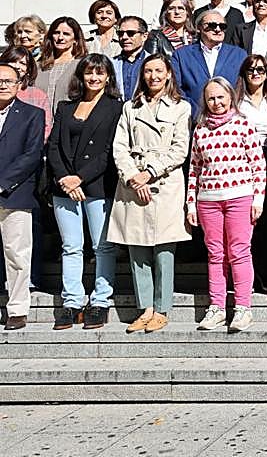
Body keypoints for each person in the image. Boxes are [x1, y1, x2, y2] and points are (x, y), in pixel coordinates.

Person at [108, 53, 191, 334]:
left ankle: (162, 308)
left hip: (164, 184)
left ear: (168, 74)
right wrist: (133, 176)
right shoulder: (131, 108)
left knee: (164, 249)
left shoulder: (181, 107)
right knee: (137, 248)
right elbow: (119, 146)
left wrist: (150, 172)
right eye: (148, 71)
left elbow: (180, 149)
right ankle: (145, 308)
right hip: (133, 183)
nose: (153, 76)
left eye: (159, 70)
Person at [46, 55, 123, 330]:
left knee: (102, 247)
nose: (94, 78)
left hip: (98, 185)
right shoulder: (66, 108)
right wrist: (65, 179)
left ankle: (101, 301)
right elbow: (53, 146)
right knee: (71, 247)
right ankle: (73, 301)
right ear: (81, 75)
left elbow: (109, 151)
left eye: (99, 73)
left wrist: (80, 178)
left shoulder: (116, 108)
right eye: (89, 73)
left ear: (108, 77)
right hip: (64, 187)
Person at [188, 77, 266, 334]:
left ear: (230, 96)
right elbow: (194, 169)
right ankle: (217, 307)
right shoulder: (200, 129)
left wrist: (258, 198)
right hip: (208, 200)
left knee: (239, 251)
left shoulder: (243, 124)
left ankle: (243, 307)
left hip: (240, 196)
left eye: (221, 97)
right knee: (215, 254)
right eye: (211, 98)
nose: (216, 102)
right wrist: (190, 204)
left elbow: (258, 165)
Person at [0, 62, 49, 331]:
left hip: (15, 193)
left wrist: (2, 184)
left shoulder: (32, 114)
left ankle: (17, 309)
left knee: (17, 254)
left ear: (19, 84)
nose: (3, 84)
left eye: (8, 80)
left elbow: (31, 156)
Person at [235, 54, 267, 292]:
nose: (256, 74)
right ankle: (244, 275)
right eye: (251, 70)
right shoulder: (236, 102)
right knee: (244, 220)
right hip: (239, 159)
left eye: (261, 70)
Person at [173, 9, 249, 116]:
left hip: (231, 120)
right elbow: (176, 88)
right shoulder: (181, 55)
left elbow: (245, 88)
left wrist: (231, 111)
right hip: (193, 119)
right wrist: (195, 112)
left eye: (222, 26)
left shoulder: (239, 55)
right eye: (212, 25)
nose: (218, 29)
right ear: (199, 28)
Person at [1, 46, 52, 141]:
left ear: (28, 70)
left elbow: (46, 128)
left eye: (22, 63)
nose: (16, 66)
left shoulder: (38, 96)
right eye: (12, 60)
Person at [37, 16, 86, 112]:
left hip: (67, 122)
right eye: (56, 33)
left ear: (75, 39)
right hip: (39, 122)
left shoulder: (82, 65)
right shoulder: (39, 65)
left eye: (66, 34)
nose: (60, 37)